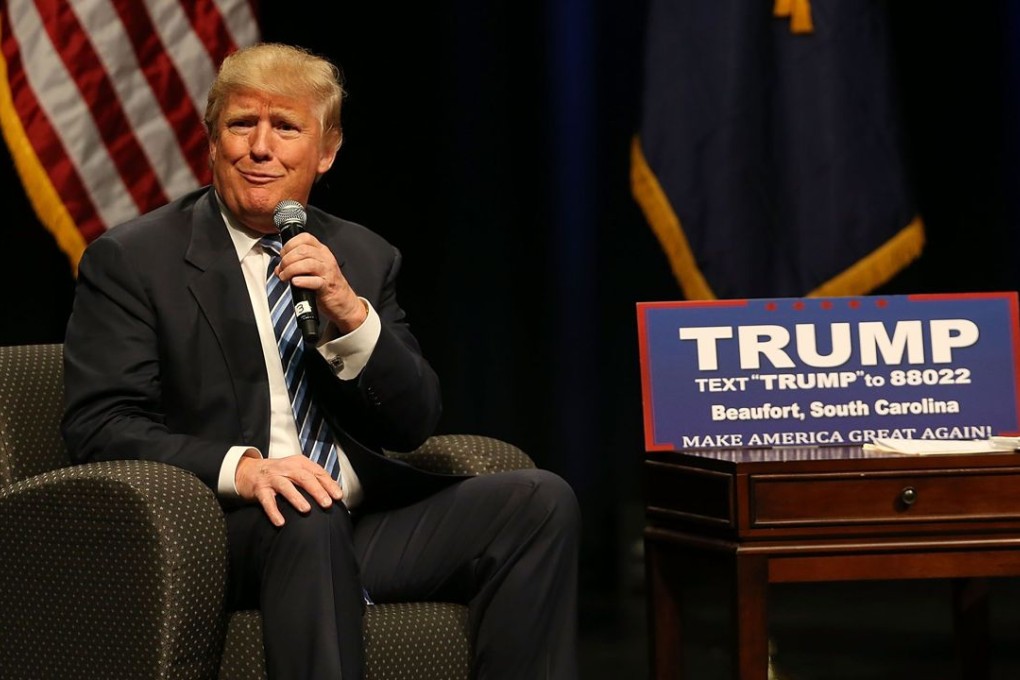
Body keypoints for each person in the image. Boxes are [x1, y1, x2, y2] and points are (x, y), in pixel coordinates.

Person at [61, 42, 579, 679]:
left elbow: (412, 422)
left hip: (359, 524)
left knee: (538, 501)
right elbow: (101, 426)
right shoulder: (135, 261)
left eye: (285, 127)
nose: (260, 147)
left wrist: (350, 313)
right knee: (306, 511)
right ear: (211, 138)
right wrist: (244, 469)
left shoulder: (360, 254)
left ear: (325, 152)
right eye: (241, 124)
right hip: (224, 532)